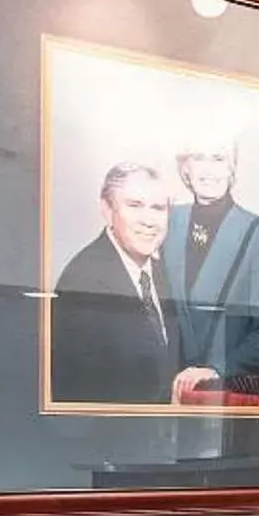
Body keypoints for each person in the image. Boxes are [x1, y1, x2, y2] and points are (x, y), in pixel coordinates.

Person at [48, 161, 185, 406]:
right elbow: (79, 400)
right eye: (134, 206)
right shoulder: (83, 282)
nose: (149, 220)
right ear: (107, 209)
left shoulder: (160, 269)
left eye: (158, 208)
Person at [159, 136, 259, 398]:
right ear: (185, 168)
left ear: (232, 168)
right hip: (171, 391)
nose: (208, 170)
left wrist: (215, 370)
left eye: (219, 158)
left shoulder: (258, 231)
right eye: (199, 158)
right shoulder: (166, 220)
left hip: (227, 392)